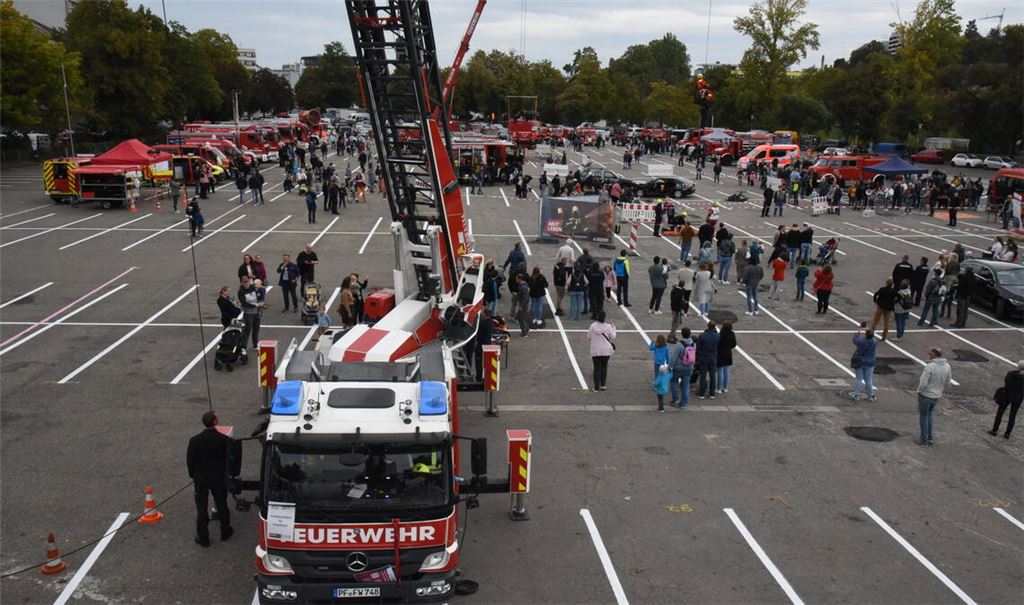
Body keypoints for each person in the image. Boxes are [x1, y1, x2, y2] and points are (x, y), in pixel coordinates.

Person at [186, 411, 234, 547]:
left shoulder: (195, 440)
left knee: (201, 508)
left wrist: (194, 475)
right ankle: (225, 531)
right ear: (215, 422)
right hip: (218, 478)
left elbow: (190, 461)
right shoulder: (224, 440)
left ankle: (203, 537)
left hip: (201, 479)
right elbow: (229, 459)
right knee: (222, 504)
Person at [917, 348, 953, 446]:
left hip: (926, 394)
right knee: (929, 415)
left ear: (934, 355)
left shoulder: (930, 367)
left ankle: (924, 439)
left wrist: (920, 390)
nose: (928, 354)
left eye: (930, 353)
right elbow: (948, 382)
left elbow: (923, 383)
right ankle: (930, 438)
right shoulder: (947, 366)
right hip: (936, 395)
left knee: (923, 416)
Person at [990, 361, 1024, 439]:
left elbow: (1006, 382)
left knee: (1000, 412)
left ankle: (994, 430)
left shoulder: (1010, 374)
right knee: (1012, 415)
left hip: (1007, 395)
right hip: (1018, 398)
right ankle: (1007, 433)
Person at [588, 310, 616, 391]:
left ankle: (596, 387)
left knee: (597, 368)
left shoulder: (592, 326)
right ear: (604, 317)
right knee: (604, 367)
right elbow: (613, 337)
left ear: (597, 317)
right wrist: (614, 329)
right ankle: (603, 385)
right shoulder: (609, 327)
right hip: (606, 351)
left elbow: (589, 337)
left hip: (596, 350)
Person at [669, 328, 696, 407]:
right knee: (686, 385)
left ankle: (676, 399)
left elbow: (674, 357)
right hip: (689, 367)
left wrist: (670, 366)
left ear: (682, 334)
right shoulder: (693, 344)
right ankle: (684, 403)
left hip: (678, 367)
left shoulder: (679, 344)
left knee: (674, 381)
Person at [851, 328, 877, 401]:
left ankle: (857, 395)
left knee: (858, 378)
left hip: (860, 361)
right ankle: (870, 396)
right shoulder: (874, 341)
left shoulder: (861, 342)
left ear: (866, 335)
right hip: (870, 362)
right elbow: (871, 335)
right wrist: (868, 329)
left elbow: (854, 340)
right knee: (869, 379)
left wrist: (859, 331)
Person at [696, 321, 719, 399]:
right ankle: (712, 393)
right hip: (713, 357)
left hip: (704, 357)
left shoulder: (702, 336)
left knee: (703, 376)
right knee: (713, 376)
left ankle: (702, 393)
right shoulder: (717, 336)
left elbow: (698, 347)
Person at [237, 275, 262, 350]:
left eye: (247, 281)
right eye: (244, 282)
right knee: (247, 330)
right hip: (248, 313)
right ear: (241, 282)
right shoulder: (241, 291)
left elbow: (260, 292)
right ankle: (244, 347)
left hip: (257, 311)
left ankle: (255, 345)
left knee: (256, 329)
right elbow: (244, 303)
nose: (246, 283)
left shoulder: (253, 287)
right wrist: (255, 305)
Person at [716, 320, 736, 394]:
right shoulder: (732, 334)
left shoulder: (720, 334)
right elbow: (734, 344)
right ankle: (725, 387)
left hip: (721, 353)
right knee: (726, 371)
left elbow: (717, 344)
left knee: (720, 371)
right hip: (728, 353)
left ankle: (719, 388)